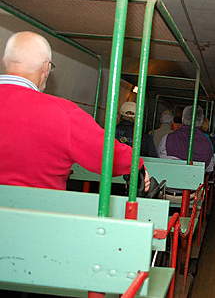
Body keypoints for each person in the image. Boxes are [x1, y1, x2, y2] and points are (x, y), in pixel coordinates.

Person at [0, 31, 149, 191]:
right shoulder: (62, 113)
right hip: (35, 211)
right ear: (46, 67)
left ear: (5, 61)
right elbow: (106, 155)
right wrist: (135, 164)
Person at [162, 105, 214, 172]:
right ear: (201, 121)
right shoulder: (207, 142)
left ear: (183, 118)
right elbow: (209, 168)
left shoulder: (168, 138)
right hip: (195, 179)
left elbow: (161, 158)